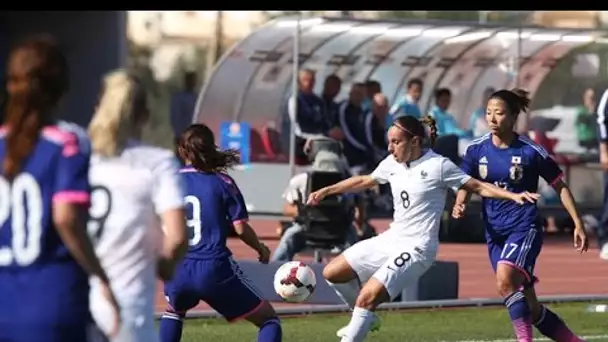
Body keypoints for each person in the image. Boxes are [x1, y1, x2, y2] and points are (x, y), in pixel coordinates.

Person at [307, 115, 540, 342]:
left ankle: (361, 319)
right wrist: (327, 190)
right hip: (391, 239)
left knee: (367, 296)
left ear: (415, 142)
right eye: (389, 141)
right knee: (332, 273)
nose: (390, 148)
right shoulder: (392, 164)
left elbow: (478, 186)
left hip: (418, 248)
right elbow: (364, 181)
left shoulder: (439, 166)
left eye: (396, 142)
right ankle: (365, 318)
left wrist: (513, 195)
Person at [0, 35, 120, 341]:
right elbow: (65, 217)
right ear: (62, 87)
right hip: (53, 299)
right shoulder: (67, 142)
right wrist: (101, 277)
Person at [453, 88, 588, 342]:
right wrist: (460, 202)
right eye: (489, 113)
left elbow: (560, 185)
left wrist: (578, 223)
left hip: (524, 227)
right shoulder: (476, 150)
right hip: (494, 232)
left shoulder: (530, 151)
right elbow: (467, 183)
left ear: (514, 116)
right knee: (531, 308)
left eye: (500, 113)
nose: (493, 119)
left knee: (504, 280)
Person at [87, 70, 189, 341]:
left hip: (76, 306)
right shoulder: (156, 163)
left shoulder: (80, 159)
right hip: (128, 309)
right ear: (144, 115)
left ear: (98, 108)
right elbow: (178, 236)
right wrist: (165, 266)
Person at [160, 123, 282, 342]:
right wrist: (261, 248)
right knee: (268, 319)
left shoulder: (168, 182)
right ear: (211, 148)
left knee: (174, 310)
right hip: (213, 268)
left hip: (178, 267)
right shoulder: (222, 182)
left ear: (181, 151)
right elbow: (240, 228)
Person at [271, 136, 363, 262]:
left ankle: (274, 270)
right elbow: (359, 208)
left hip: (307, 228)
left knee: (288, 240)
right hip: (341, 230)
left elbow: (287, 208)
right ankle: (358, 274)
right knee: (356, 254)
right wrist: (360, 225)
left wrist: (303, 213)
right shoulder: (350, 183)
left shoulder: (300, 180)